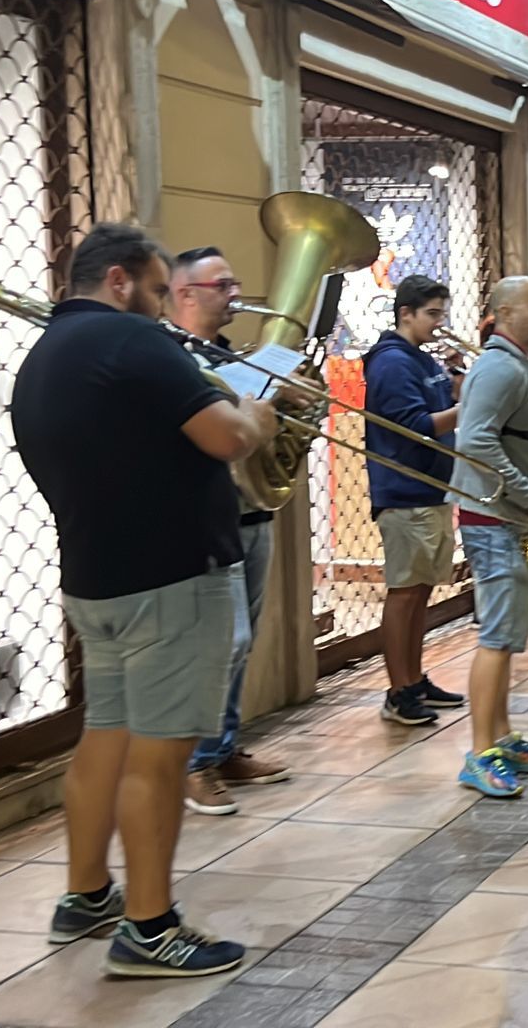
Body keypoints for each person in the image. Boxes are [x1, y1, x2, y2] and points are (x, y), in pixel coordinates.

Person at [15, 223, 274, 977]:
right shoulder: (135, 343)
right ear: (121, 281)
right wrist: (256, 412)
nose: (167, 308)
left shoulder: (44, 356)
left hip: (97, 579)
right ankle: (149, 928)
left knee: (107, 737)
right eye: (160, 290)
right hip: (170, 580)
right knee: (160, 757)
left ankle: (87, 895)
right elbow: (226, 436)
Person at [165, 247, 292, 815]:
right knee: (222, 644)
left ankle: (222, 748)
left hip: (250, 511)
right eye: (222, 284)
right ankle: (193, 763)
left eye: (234, 281)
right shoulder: (173, 359)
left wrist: (286, 411)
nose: (235, 292)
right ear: (185, 293)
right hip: (205, 520)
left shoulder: (226, 357)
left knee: (243, 645)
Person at [447, 276, 528, 798]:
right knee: (497, 638)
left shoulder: (517, 364)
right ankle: (480, 755)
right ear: (502, 313)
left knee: (508, 633)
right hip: (495, 517)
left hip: (507, 517)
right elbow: (475, 442)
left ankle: (500, 736)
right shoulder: (500, 367)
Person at [361, 275, 468, 725]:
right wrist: (473, 403)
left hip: (430, 489)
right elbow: (418, 426)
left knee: (420, 592)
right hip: (405, 493)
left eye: (442, 314)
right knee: (405, 594)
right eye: (432, 315)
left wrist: (459, 381)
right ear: (406, 313)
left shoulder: (422, 360)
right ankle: (398, 689)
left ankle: (414, 677)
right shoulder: (391, 363)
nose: (440, 324)